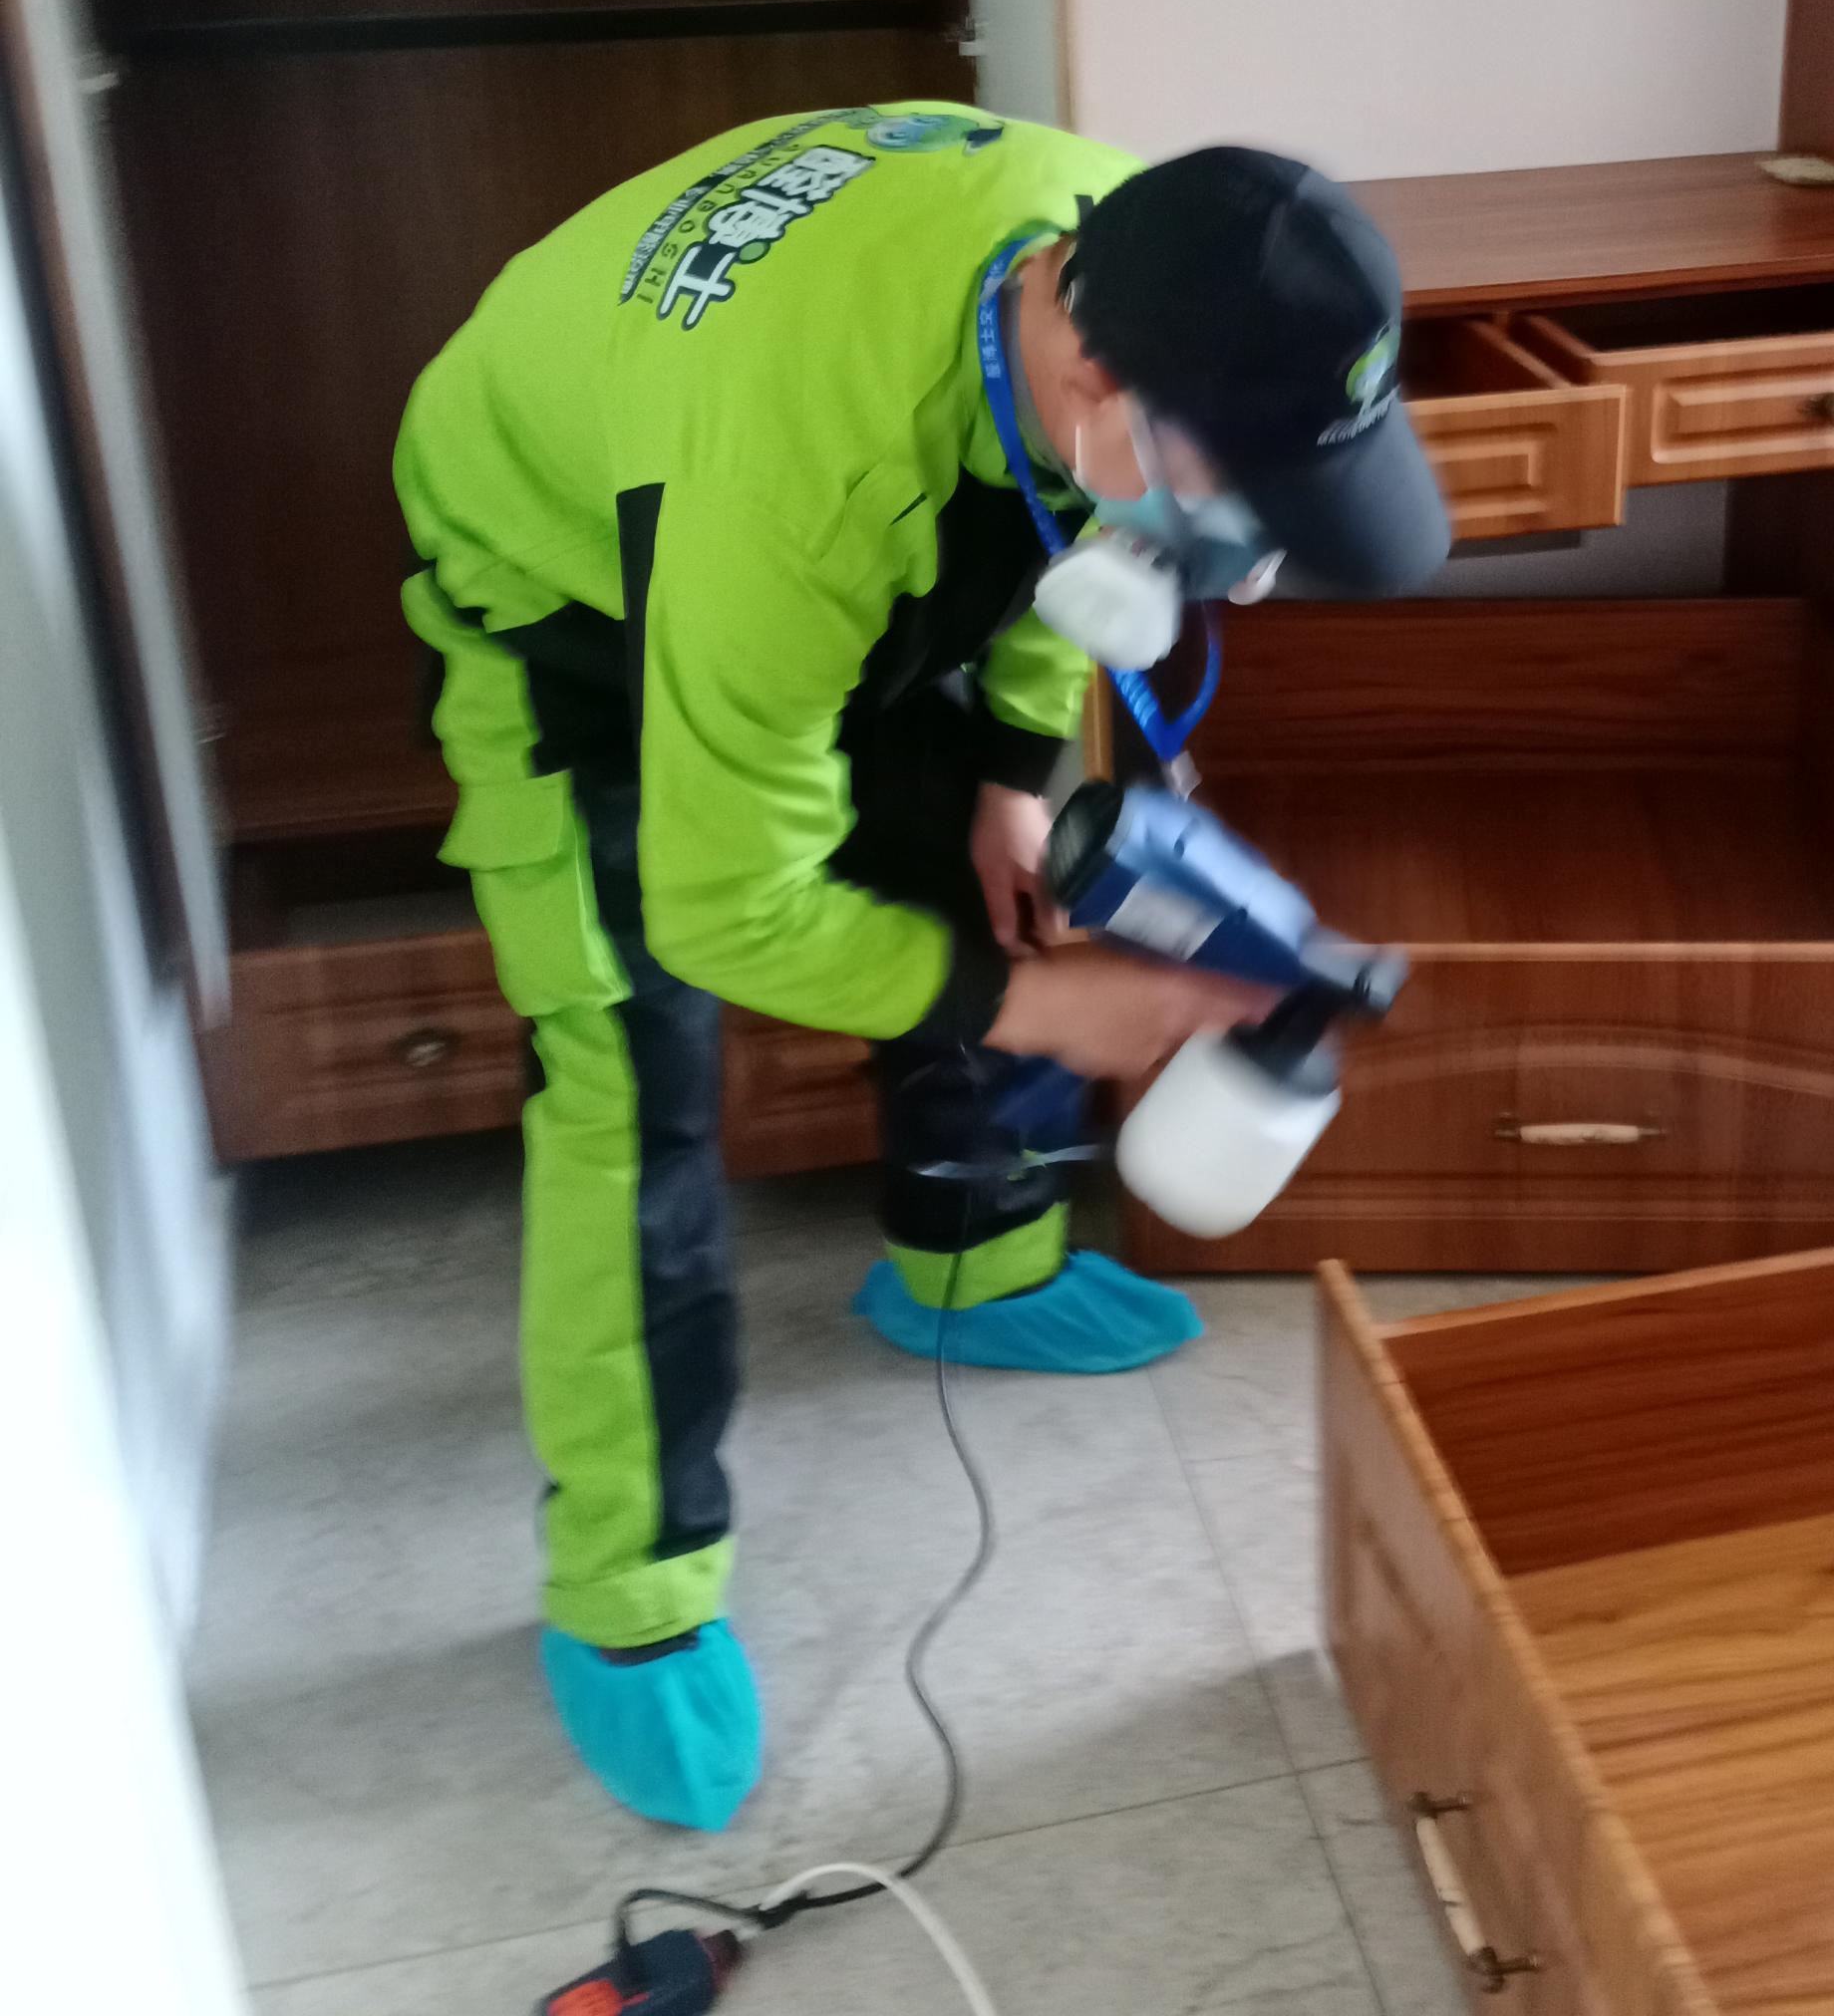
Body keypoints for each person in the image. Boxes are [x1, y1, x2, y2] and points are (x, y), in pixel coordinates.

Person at [392, 103, 1451, 1833]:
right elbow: (724, 913)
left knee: (989, 870)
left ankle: (970, 1257)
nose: (1253, 560)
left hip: (799, 455)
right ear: (1097, 384)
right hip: (554, 566)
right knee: (629, 1060)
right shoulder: (797, 490)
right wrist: (1044, 1009)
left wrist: (1013, 774)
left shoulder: (1122, 246)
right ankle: (629, 1584)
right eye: (1245, 502)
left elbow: (1070, 537)